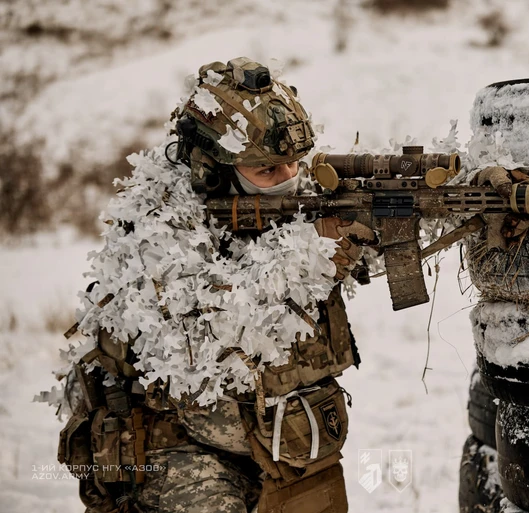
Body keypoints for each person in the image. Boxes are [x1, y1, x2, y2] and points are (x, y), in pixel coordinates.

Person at [59, 57, 370, 513]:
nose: (289, 181)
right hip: (175, 450)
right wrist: (319, 251)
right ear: (213, 171)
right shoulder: (154, 230)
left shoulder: (274, 196)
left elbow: (374, 242)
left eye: (294, 165)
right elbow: (219, 333)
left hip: (282, 438)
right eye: (268, 172)